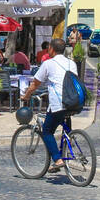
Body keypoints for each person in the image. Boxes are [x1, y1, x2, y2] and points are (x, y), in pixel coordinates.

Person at [21, 37, 78, 173]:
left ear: (51, 49)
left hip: (58, 104)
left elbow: (35, 84)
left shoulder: (48, 64)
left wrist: (26, 96)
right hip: (73, 102)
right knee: (66, 131)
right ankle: (65, 154)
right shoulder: (72, 63)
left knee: (46, 131)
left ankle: (58, 160)